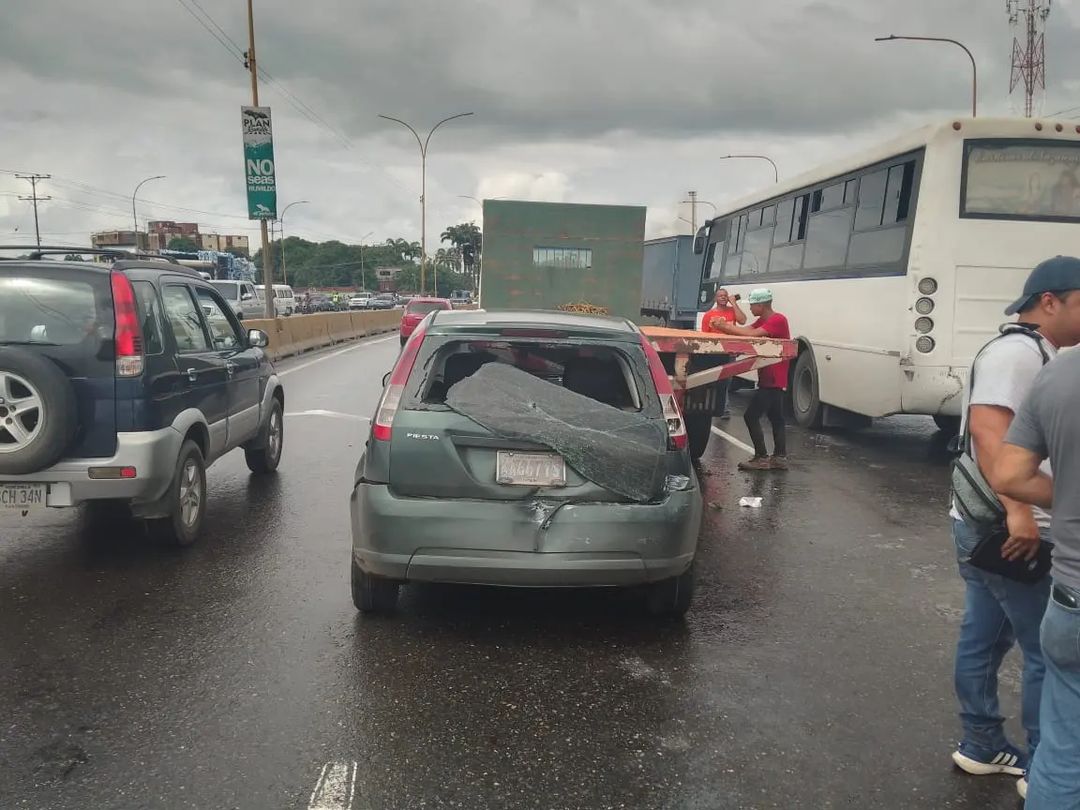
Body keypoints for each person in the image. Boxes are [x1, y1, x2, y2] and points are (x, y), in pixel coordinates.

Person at [990, 259, 1080, 805]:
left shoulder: (1062, 372)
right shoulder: (1019, 356)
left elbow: (1009, 471)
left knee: (1063, 755)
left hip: (1070, 599)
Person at [711, 288, 790, 470]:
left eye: (753, 305)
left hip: (772, 377)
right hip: (770, 376)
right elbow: (746, 330)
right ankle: (780, 457)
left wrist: (725, 327)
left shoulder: (777, 320)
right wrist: (727, 328)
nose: (752, 309)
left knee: (751, 416)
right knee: (776, 417)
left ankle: (761, 457)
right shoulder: (764, 320)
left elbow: (751, 334)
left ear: (761, 305)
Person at [701, 289, 747, 419]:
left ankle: (724, 409)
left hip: (730, 352)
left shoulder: (732, 311)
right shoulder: (709, 315)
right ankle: (715, 407)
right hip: (714, 353)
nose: (723, 297)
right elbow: (704, 336)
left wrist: (734, 303)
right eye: (720, 296)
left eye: (725, 295)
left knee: (726, 381)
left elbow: (743, 321)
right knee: (715, 380)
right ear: (715, 298)